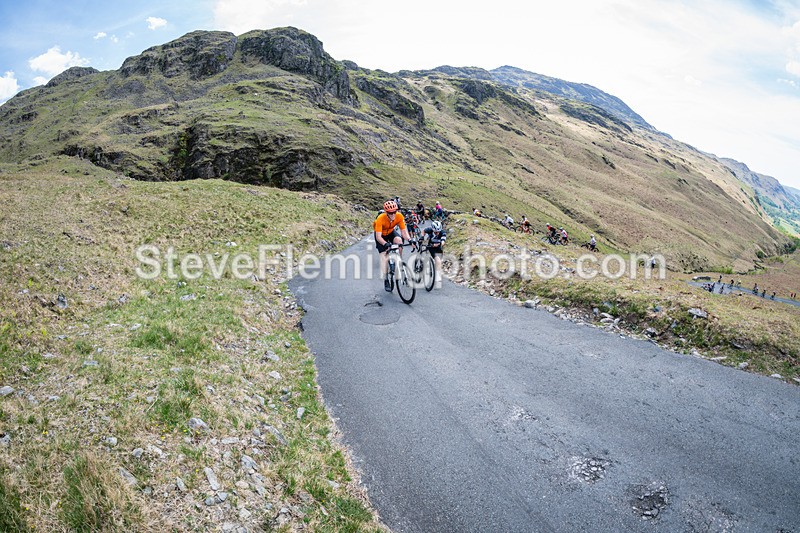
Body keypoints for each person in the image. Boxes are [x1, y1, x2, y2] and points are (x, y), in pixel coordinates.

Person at [374, 199, 412, 291]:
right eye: (390, 213)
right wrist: (385, 244)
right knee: (384, 256)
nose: (393, 215)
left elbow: (403, 232)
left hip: (391, 232)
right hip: (381, 235)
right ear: (386, 213)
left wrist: (410, 240)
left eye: (394, 212)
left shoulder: (399, 216)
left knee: (399, 240)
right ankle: (386, 278)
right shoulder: (380, 219)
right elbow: (378, 237)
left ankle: (399, 260)